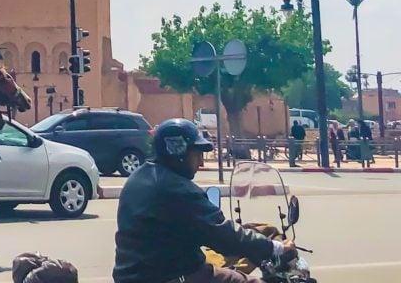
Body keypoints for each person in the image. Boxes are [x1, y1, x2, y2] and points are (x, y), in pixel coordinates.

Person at [113, 118, 294, 283]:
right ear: (179, 150)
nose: (201, 162)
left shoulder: (139, 177)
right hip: (173, 276)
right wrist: (274, 248)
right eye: (197, 153)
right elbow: (222, 234)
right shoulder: (176, 188)